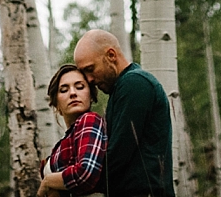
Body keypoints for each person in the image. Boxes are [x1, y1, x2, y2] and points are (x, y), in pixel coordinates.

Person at [73, 29, 174, 197]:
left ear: (111, 55)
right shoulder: (123, 89)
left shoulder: (134, 83)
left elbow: (115, 158)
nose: (89, 79)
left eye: (90, 69)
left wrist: (67, 182)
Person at [39, 63, 107, 196]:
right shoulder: (63, 142)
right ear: (56, 104)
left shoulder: (89, 120)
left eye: (80, 87)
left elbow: (86, 173)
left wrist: (48, 181)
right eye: (64, 90)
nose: (73, 93)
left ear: (91, 96)